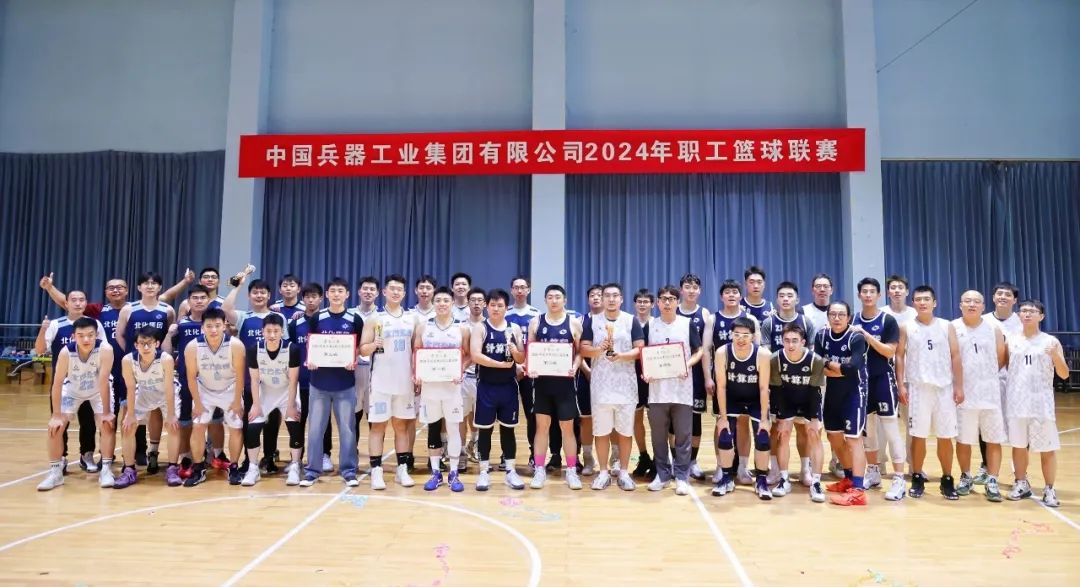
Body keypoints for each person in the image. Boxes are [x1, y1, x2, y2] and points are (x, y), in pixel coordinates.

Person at [895, 285, 963, 500]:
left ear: (934, 303)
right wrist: (901, 384)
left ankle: (947, 479)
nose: (922, 302)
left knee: (945, 436)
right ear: (913, 303)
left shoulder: (946, 326)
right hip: (918, 387)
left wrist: (959, 385)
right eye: (918, 299)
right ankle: (917, 477)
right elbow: (899, 356)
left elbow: (955, 355)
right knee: (918, 436)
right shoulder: (906, 327)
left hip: (944, 388)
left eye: (926, 299)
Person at [37, 318, 116, 491]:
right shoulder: (66, 352)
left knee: (106, 424)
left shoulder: (105, 349)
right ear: (74, 336)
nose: (86, 339)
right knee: (56, 427)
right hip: (72, 390)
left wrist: (106, 412)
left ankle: (106, 469)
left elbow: (104, 382)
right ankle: (55, 472)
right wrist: (56, 415)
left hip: (98, 390)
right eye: (81, 335)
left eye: (90, 335)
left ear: (96, 335)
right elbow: (57, 383)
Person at [580, 283, 644, 491]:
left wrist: (622, 356)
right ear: (602, 298)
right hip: (601, 385)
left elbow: (640, 349)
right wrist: (599, 349)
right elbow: (584, 349)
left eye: (615, 295)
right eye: (607, 295)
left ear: (621, 299)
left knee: (625, 431)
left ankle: (624, 472)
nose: (611, 299)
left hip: (626, 385)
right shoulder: (592, 321)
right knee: (601, 431)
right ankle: (603, 472)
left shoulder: (631, 320)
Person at [34, 290, 106, 474]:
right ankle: (61, 458)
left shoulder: (94, 324)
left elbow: (104, 351)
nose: (78, 303)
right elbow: (40, 350)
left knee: (88, 422)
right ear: (66, 303)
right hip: (64, 384)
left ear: (86, 303)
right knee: (60, 422)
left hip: (89, 382)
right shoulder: (56, 324)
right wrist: (43, 329)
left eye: (82, 299)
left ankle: (87, 455)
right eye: (73, 300)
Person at [300, 278, 363, 487]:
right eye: (333, 291)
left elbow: (357, 347)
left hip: (345, 384)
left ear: (347, 294)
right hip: (319, 383)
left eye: (340, 291)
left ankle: (349, 470)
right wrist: (311, 359)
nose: (336, 294)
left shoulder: (355, 319)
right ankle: (312, 470)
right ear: (327, 294)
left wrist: (353, 359)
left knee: (347, 429)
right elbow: (311, 343)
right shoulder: (318, 317)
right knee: (315, 429)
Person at [1004, 299, 1068, 507]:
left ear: (1041, 316)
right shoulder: (1011, 340)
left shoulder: (1051, 342)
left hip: (1042, 404)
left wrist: (1055, 356)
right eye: (1023, 311)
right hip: (1016, 402)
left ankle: (1049, 489)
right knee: (1018, 446)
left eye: (1032, 311)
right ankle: (1021, 483)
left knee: (1047, 449)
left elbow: (1064, 374)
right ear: (1019, 315)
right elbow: (1006, 367)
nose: (1027, 314)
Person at [115, 271, 176, 474]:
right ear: (139, 287)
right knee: (129, 410)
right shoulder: (128, 309)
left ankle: (153, 451)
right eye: (146, 283)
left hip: (159, 366)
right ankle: (131, 458)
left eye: (154, 283)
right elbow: (119, 335)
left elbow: (168, 337)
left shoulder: (167, 310)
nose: (150, 286)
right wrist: (132, 353)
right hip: (136, 365)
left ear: (160, 287)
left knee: (157, 410)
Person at [359, 274, 416, 489]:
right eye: (392, 288)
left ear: (404, 293)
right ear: (384, 292)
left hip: (404, 382)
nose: (395, 292)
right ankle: (376, 471)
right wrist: (374, 344)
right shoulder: (375, 319)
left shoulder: (412, 319)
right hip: (381, 382)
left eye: (399, 289)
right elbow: (363, 350)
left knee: (401, 426)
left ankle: (402, 470)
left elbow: (416, 350)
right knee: (378, 427)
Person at [645, 285, 703, 496]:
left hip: (682, 390)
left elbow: (699, 351)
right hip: (657, 390)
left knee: (683, 436)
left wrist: (688, 364)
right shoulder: (650, 325)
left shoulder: (687, 324)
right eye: (663, 299)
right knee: (658, 436)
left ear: (678, 302)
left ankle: (681, 477)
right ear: (657, 303)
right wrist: (646, 371)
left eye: (671, 299)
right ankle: (662, 475)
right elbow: (644, 353)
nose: (667, 302)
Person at [759, 281, 816, 490]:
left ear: (797, 299)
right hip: (778, 385)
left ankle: (805, 469)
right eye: (782, 295)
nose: (785, 299)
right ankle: (775, 469)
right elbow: (765, 355)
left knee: (803, 428)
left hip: (802, 383)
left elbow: (811, 354)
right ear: (776, 299)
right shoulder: (768, 323)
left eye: (790, 295)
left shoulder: (806, 322)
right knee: (777, 429)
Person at [851, 277, 905, 500]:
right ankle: (873, 472)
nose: (868, 295)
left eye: (872, 291)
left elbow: (889, 351)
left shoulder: (887, 320)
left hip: (883, 380)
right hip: (861, 382)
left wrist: (865, 335)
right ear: (859, 295)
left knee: (891, 429)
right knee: (868, 431)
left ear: (879, 295)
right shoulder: (853, 319)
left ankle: (899, 478)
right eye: (864, 291)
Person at [526, 285, 584, 490]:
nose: (554, 300)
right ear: (545, 300)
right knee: (542, 427)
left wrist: (575, 366)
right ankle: (539, 469)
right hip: (542, 384)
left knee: (567, 428)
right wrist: (531, 368)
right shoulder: (536, 322)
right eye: (550, 297)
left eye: (557, 297)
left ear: (564, 300)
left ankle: (571, 470)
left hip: (565, 385)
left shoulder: (573, 323)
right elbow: (530, 350)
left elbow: (580, 352)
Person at [468, 288, 526, 491]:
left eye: (500, 305)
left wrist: (515, 352)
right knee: (485, 430)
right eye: (492, 305)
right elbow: (475, 355)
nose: (496, 308)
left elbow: (521, 358)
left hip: (508, 386)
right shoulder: (480, 328)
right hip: (486, 386)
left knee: (508, 430)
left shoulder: (514, 328)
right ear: (487, 306)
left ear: (506, 307)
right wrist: (499, 364)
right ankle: (484, 472)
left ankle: (510, 470)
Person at [952, 290, 1008, 501]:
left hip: (989, 394)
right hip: (963, 394)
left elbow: (1001, 358)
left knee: (993, 439)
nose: (972, 304)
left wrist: (985, 377)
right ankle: (966, 476)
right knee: (963, 439)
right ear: (960, 305)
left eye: (976, 301)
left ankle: (992, 479)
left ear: (983, 306)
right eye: (967, 301)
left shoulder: (994, 329)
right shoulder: (953, 327)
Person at [703, 280, 760, 485]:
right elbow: (706, 349)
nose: (731, 295)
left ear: (740, 295)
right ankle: (721, 465)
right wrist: (708, 377)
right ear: (722, 297)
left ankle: (743, 467)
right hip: (722, 379)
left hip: (746, 379)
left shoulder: (750, 318)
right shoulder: (713, 319)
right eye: (727, 292)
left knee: (743, 422)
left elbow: (758, 350)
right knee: (722, 421)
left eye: (735, 292)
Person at [414, 287, 471, 492]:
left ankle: (454, 473)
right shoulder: (424, 326)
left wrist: (461, 369)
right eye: (438, 300)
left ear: (452, 303)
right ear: (434, 303)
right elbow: (416, 352)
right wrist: (416, 374)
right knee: (433, 428)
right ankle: (436, 473)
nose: (442, 304)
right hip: (430, 387)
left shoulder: (461, 328)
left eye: (446, 300)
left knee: (454, 428)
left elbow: (468, 354)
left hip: (452, 388)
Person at [182, 308, 246, 487]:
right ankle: (198, 468)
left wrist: (236, 401)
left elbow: (240, 375)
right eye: (209, 326)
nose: (213, 330)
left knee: (236, 428)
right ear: (202, 327)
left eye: (217, 325)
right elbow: (191, 377)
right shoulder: (193, 347)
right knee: (198, 426)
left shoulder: (235, 345)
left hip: (230, 388)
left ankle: (234, 466)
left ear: (224, 325)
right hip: (204, 390)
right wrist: (197, 402)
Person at [814, 301, 869, 506]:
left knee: (854, 439)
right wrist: (838, 369)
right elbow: (817, 365)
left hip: (855, 392)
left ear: (849, 317)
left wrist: (828, 364)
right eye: (833, 314)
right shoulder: (822, 336)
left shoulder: (856, 337)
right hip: (833, 393)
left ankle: (858, 490)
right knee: (834, 436)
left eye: (841, 315)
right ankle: (848, 478)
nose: (837, 318)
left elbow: (853, 368)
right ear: (828, 316)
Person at [713, 317, 773, 500]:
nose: (740, 338)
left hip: (755, 400)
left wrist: (765, 419)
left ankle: (761, 480)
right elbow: (721, 387)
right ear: (731, 335)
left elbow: (764, 388)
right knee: (724, 435)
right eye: (737, 334)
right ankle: (726, 478)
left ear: (753, 336)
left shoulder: (763, 354)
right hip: (732, 398)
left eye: (745, 335)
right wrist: (723, 418)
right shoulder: (722, 352)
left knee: (763, 437)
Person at [241, 313, 302, 486]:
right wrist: (256, 404)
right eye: (268, 331)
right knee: (253, 426)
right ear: (262, 332)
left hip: (286, 391)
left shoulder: (292, 349)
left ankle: (295, 465)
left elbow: (293, 380)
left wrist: (291, 405)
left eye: (276, 331)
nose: (272, 335)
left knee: (294, 423)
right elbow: (254, 380)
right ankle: (253, 467)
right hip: (265, 391)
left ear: (282, 331)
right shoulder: (254, 349)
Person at [116, 326, 180, 488]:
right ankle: (129, 470)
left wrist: (171, 415)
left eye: (149, 343)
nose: (145, 347)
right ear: (136, 345)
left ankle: (173, 468)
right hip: (143, 393)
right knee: (128, 427)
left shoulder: (166, 359)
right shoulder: (128, 360)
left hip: (166, 394)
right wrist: (130, 415)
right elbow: (131, 388)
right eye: (141, 343)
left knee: (173, 426)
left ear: (156, 344)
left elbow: (169, 388)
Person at [769, 323, 827, 501]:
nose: (790, 344)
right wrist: (781, 417)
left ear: (803, 342)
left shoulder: (815, 360)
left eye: (795, 340)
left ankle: (816, 482)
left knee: (814, 434)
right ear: (782, 341)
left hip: (809, 400)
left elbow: (815, 391)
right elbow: (777, 390)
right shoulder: (775, 359)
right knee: (783, 433)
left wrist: (814, 418)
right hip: (786, 400)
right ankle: (783, 479)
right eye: (786, 340)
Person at [164, 285, 214, 480]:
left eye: (203, 297)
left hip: (211, 382)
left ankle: (210, 454)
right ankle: (185, 457)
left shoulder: (214, 324)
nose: (199, 301)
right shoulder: (182, 325)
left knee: (211, 421)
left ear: (208, 300)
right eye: (195, 298)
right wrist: (169, 334)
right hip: (186, 380)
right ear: (189, 301)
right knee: (185, 420)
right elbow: (167, 351)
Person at [288, 283, 333, 476]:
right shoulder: (295, 324)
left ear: (321, 298)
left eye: (315, 296)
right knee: (298, 420)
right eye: (307, 297)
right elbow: (290, 351)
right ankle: (296, 459)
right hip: (301, 381)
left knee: (324, 421)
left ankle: (325, 455)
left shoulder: (327, 321)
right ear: (303, 299)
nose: (311, 300)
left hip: (323, 380)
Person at [675, 273, 712, 481]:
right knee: (673, 418)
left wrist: (707, 377)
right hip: (673, 373)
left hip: (695, 373)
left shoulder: (704, 314)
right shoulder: (673, 310)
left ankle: (692, 461)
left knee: (695, 418)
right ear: (681, 290)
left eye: (695, 287)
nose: (691, 290)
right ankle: (675, 460)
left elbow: (705, 350)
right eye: (687, 287)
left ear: (700, 291)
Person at [507, 276, 542, 471]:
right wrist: (515, 366)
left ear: (529, 290)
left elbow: (538, 344)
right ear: (512, 290)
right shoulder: (505, 313)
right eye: (516, 287)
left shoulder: (536, 315)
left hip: (530, 371)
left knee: (532, 413)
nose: (520, 290)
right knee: (506, 413)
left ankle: (533, 453)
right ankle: (506, 454)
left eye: (523, 287)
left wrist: (526, 365)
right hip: (508, 370)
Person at [576, 284, 603, 475]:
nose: (596, 298)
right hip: (585, 376)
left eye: (599, 295)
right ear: (588, 299)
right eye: (592, 295)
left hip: (609, 377)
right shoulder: (580, 321)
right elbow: (577, 350)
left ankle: (614, 459)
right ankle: (587, 458)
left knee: (611, 418)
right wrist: (587, 371)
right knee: (586, 419)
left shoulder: (614, 320)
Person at [461, 287, 487, 467]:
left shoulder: (490, 325)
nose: (476, 303)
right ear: (467, 303)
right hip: (463, 377)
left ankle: (476, 443)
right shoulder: (460, 326)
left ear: (485, 304)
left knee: (480, 416)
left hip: (484, 377)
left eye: (480, 300)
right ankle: (461, 451)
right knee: (461, 416)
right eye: (473, 300)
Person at [631, 288, 655, 479]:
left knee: (656, 421)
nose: (642, 304)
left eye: (646, 301)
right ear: (634, 304)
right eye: (639, 301)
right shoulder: (628, 323)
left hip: (654, 378)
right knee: (636, 420)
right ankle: (643, 456)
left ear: (652, 304)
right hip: (633, 377)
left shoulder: (657, 324)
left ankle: (659, 460)